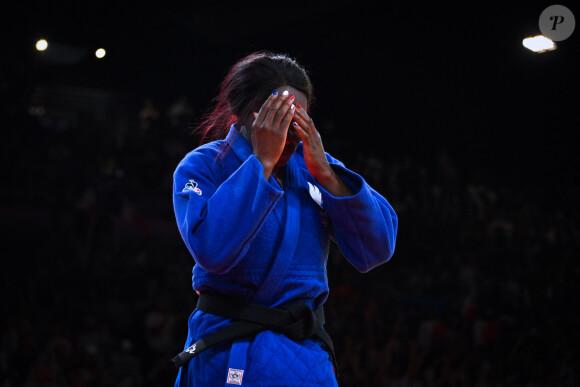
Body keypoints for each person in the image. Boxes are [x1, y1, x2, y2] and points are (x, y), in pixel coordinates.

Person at [170, 51, 398, 387]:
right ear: (247, 115)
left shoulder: (314, 164)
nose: (292, 132)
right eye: (280, 118)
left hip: (305, 357)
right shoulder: (203, 166)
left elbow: (376, 249)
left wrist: (328, 175)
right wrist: (260, 162)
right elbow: (212, 250)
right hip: (227, 352)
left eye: (299, 119)